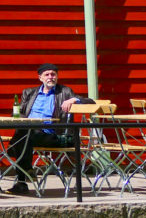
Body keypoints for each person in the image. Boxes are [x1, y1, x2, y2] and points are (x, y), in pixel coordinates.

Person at [6, 63, 93, 195]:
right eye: (47, 74)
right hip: (31, 133)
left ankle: (22, 179)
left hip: (55, 135)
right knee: (24, 134)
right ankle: (27, 170)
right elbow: (17, 113)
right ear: (40, 77)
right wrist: (24, 120)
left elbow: (91, 102)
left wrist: (74, 100)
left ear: (57, 77)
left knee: (19, 140)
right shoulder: (29, 93)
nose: (50, 77)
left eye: (53, 74)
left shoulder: (65, 92)